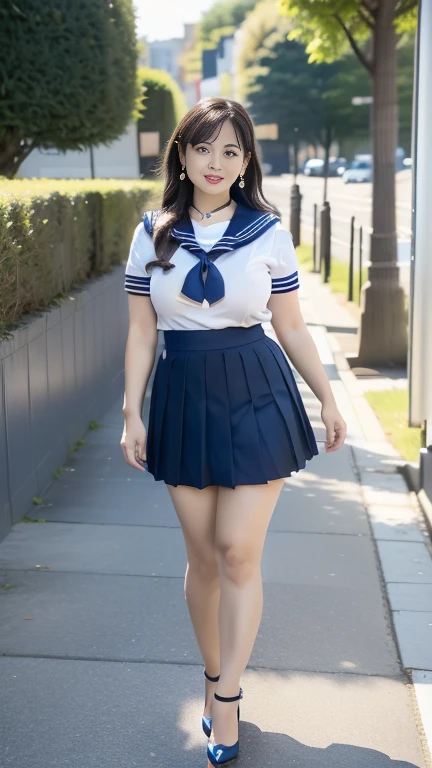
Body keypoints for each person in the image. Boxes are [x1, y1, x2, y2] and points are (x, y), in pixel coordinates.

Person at [121, 97, 347, 766]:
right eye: (203, 148)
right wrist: (131, 410)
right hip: (182, 392)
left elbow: (292, 324)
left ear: (246, 161)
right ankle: (214, 671)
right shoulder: (153, 233)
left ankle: (226, 698)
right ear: (182, 156)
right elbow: (140, 331)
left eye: (231, 151)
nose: (215, 163)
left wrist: (329, 399)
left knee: (237, 551)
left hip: (255, 386)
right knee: (203, 560)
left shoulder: (268, 232)